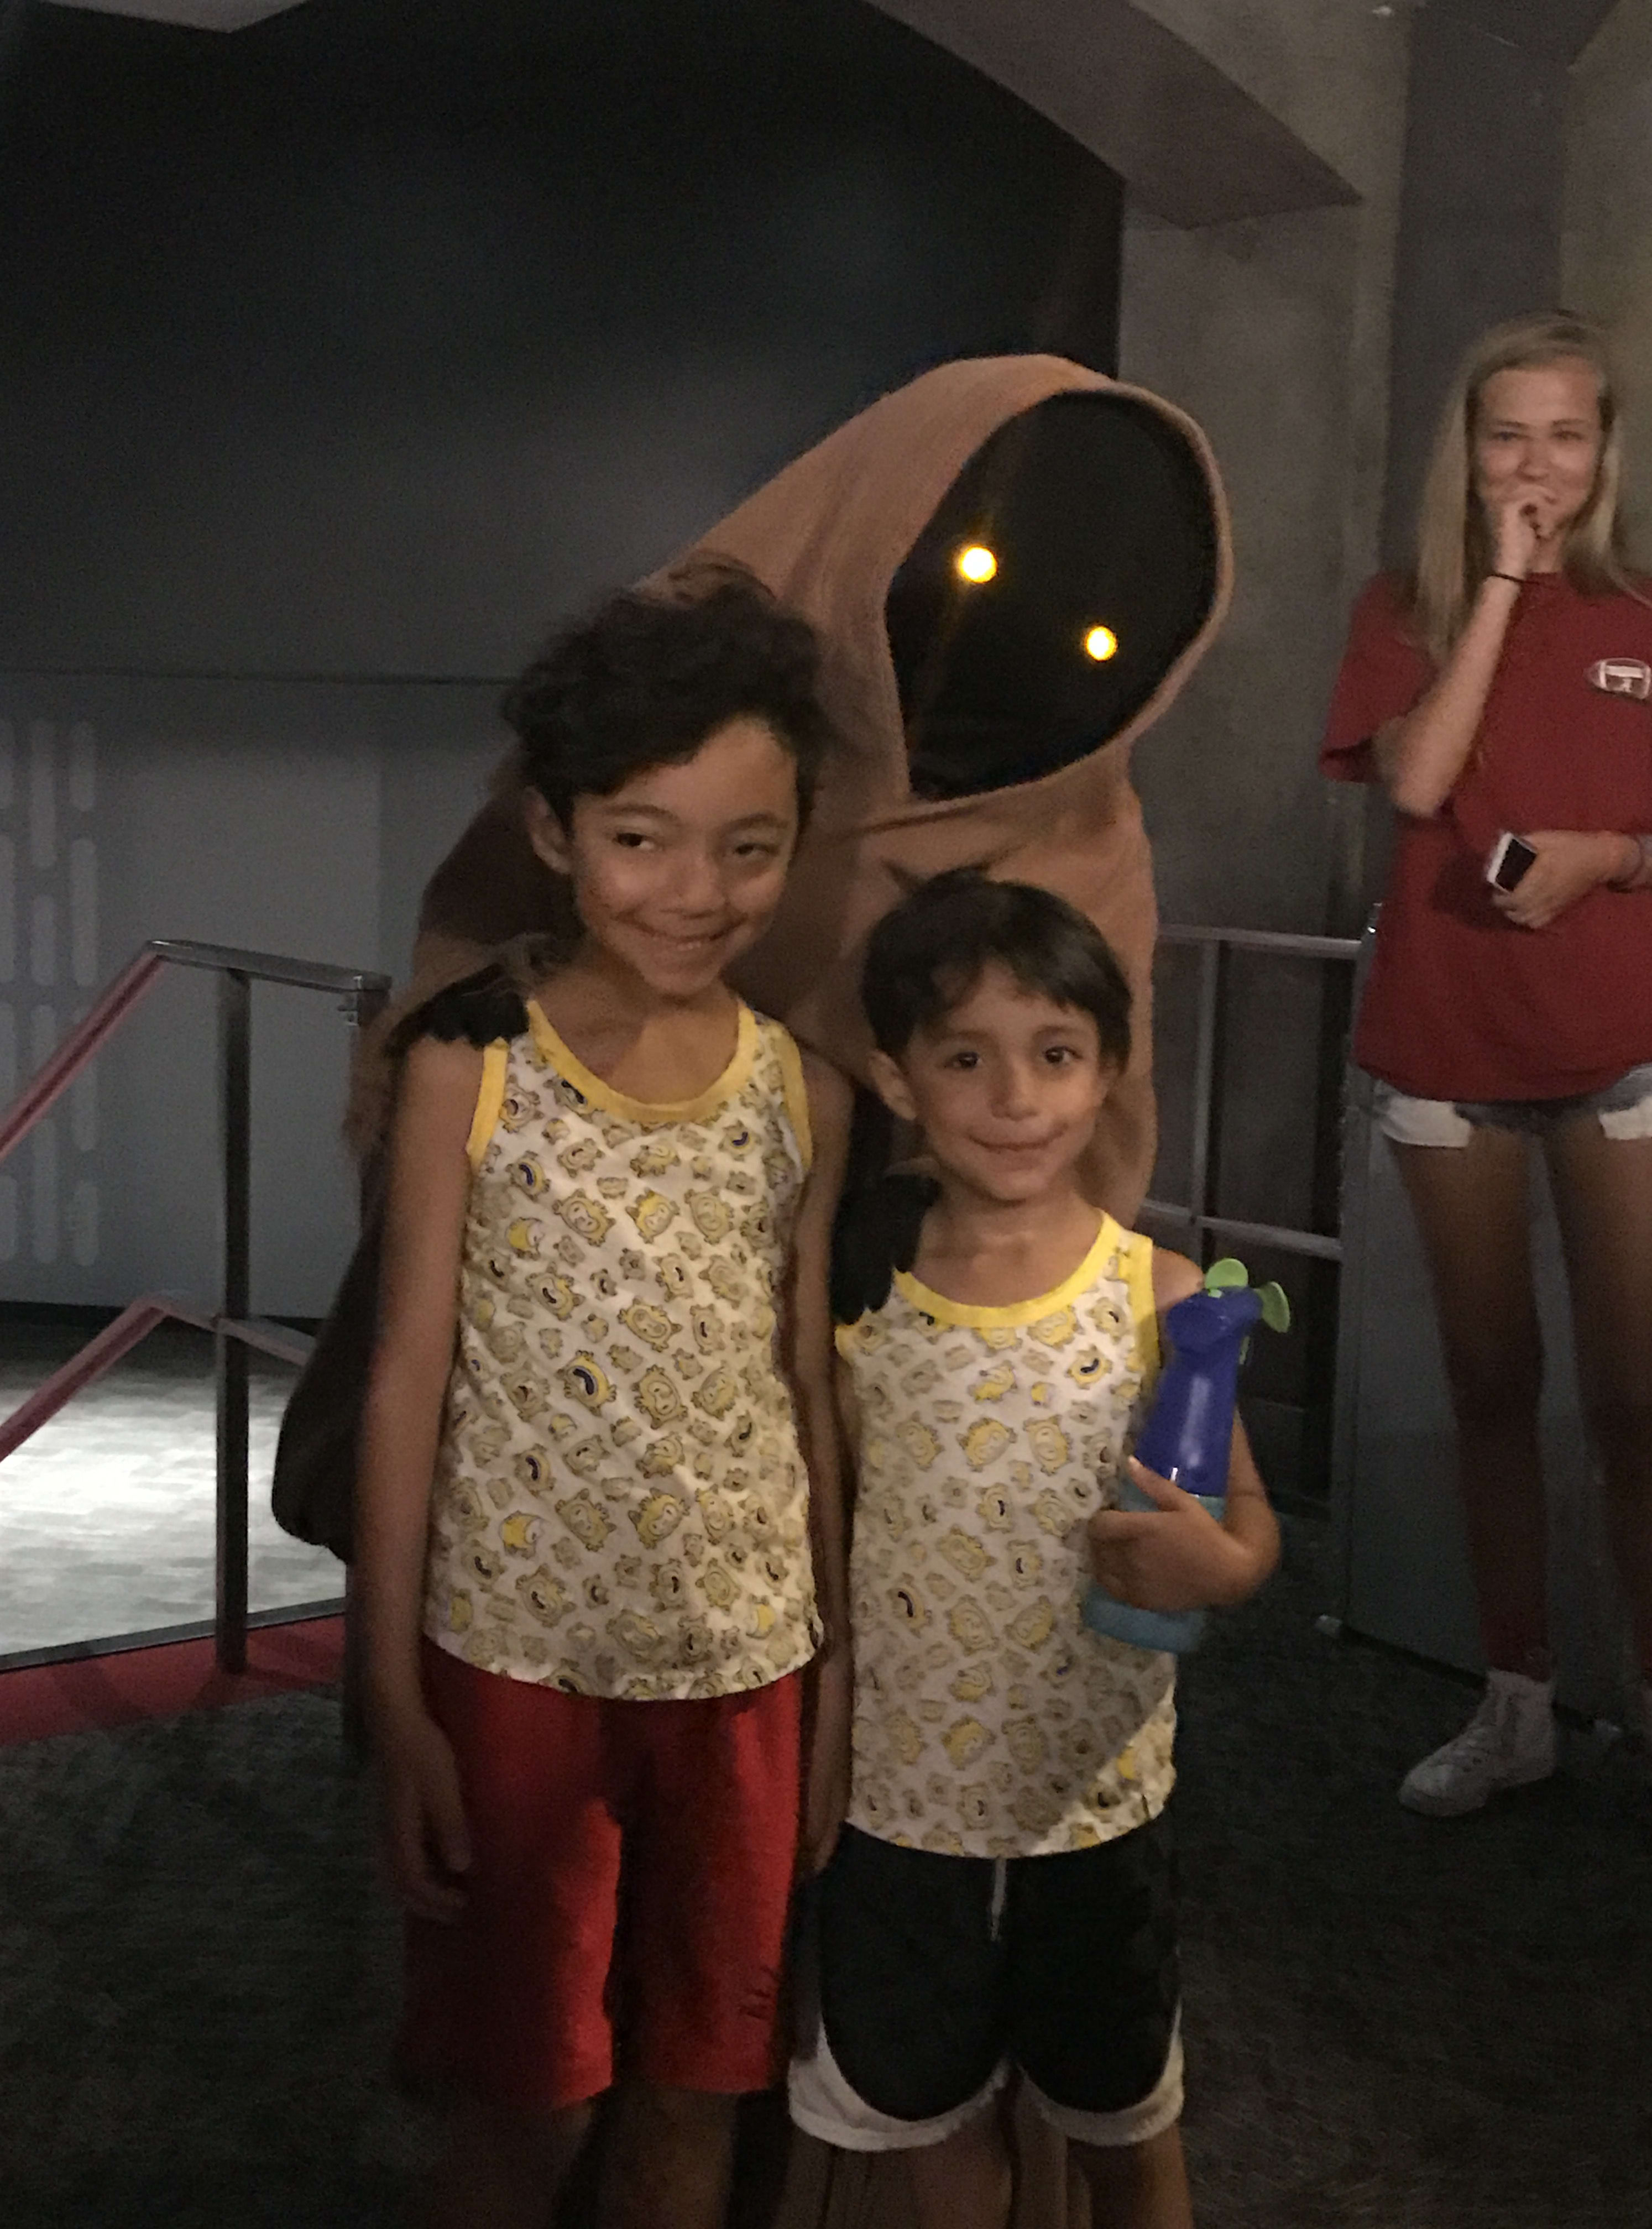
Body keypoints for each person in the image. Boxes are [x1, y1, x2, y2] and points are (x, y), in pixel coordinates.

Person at [354, 567, 854, 2229]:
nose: (696, 892)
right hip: (514, 1658)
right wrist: (391, 1693)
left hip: (746, 1665)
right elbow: (409, 1374)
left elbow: (803, 1385)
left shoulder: (806, 1090)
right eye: (644, 837)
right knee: (525, 2105)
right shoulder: (469, 1063)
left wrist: (837, 1680)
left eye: (748, 846)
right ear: (557, 832)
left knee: (697, 2092)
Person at [787, 871, 1280, 2229]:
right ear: (898, 1078)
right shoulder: (861, 1305)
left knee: (1128, 2122)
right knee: (930, 2123)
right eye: (967, 1059)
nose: (1016, 1097)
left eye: (1056, 1055)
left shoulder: (1160, 1297)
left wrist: (1224, 1569)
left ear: (1108, 1071)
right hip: (903, 1811)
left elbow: (1246, 1522)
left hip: (1098, 1806)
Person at [1322, 311, 1652, 1814]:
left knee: (1639, 1392)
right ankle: (1516, 1700)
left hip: (1624, 1045)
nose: (1538, 463)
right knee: (1489, 1381)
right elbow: (1415, 779)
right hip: (1446, 1045)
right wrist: (1504, 587)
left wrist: (1612, 858)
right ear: (1465, 452)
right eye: (1508, 433)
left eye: (1566, 435)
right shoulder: (1403, 607)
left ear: (1606, 454)